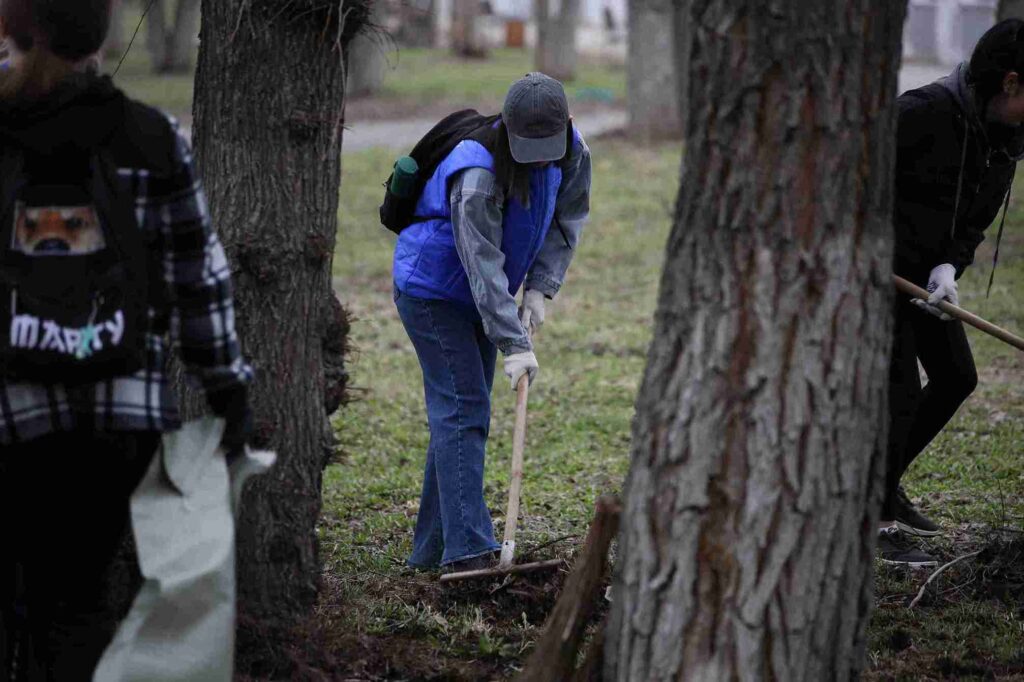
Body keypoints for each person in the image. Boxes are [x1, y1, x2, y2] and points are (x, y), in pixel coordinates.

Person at [0, 0, 252, 678]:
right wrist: (227, 389)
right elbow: (198, 277)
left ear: (14, 27)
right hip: (118, 423)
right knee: (77, 606)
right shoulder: (147, 135)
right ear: (99, 34)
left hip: (10, 418)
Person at [392, 73, 591, 574]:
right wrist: (513, 341)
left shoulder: (572, 150)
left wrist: (541, 288)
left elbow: (568, 217)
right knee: (464, 408)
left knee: (460, 411)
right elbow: (479, 266)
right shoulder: (476, 173)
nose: (542, 159)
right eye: (531, 149)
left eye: (550, 146)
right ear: (508, 128)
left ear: (566, 126)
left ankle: (433, 551)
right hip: (434, 292)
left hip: (485, 293)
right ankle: (469, 554)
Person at [880, 19, 1024, 566]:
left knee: (957, 377)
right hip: (874, 274)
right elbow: (850, 182)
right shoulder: (920, 115)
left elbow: (974, 219)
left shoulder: (1006, 140)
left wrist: (949, 265)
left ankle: (881, 485)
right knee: (898, 395)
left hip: (926, 278)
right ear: (1010, 83)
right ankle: (873, 517)